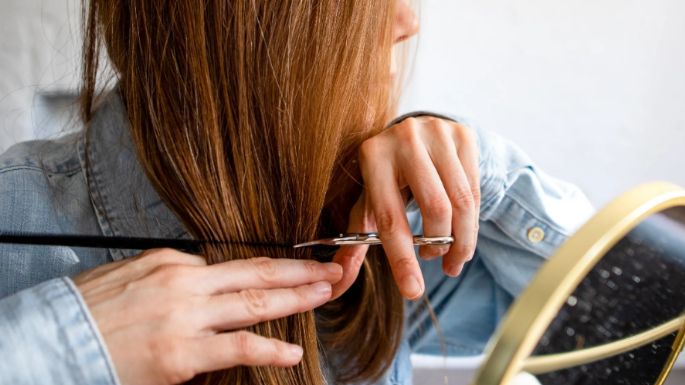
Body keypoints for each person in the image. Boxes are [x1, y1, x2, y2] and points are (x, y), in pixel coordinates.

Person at [0, 1, 594, 385]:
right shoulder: (14, 219)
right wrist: (60, 348)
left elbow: (624, 322)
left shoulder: (367, 219)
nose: (408, 20)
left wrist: (480, 179)